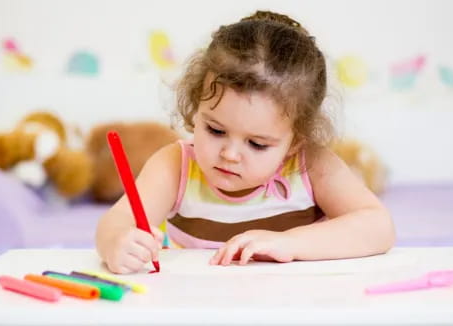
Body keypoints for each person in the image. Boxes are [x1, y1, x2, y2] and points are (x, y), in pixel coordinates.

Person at [95, 10, 395, 274]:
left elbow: (378, 227)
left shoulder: (311, 166)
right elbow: (117, 220)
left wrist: (290, 243)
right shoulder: (175, 165)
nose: (230, 154)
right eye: (215, 130)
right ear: (196, 106)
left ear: (295, 141)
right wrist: (116, 242)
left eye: (257, 144)